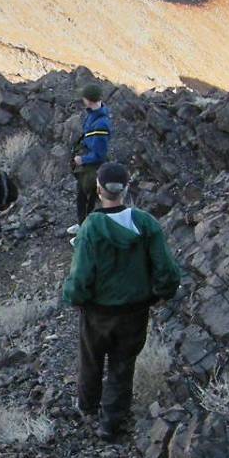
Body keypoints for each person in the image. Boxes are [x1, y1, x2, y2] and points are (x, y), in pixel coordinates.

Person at [60, 162, 181, 439]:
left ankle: (88, 407)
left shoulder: (90, 227)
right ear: (126, 188)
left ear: (99, 189)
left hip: (97, 312)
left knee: (91, 359)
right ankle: (110, 422)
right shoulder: (145, 223)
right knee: (122, 364)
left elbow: (81, 275)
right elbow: (166, 270)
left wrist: (75, 298)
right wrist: (162, 293)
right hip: (135, 311)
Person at [68, 82, 112, 236]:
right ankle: (82, 225)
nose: (83, 99)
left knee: (89, 199)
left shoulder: (101, 124)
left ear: (90, 100)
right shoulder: (93, 114)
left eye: (84, 97)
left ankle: (87, 232)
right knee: (81, 195)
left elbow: (99, 154)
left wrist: (83, 160)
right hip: (87, 165)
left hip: (92, 168)